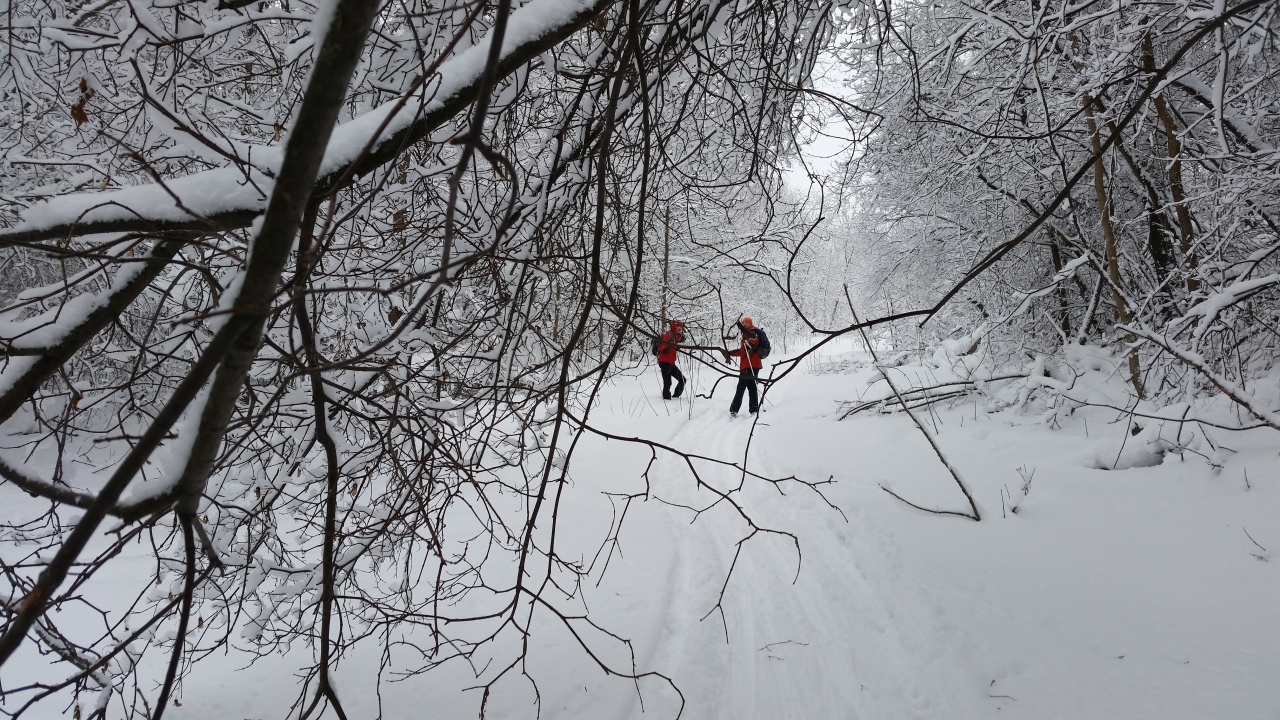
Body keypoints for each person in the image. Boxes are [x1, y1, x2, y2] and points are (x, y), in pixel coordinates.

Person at [725, 316, 763, 416]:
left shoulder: (753, 332)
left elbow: (753, 338)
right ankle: (754, 410)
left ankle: (734, 410)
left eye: (745, 323)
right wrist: (731, 353)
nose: (744, 324)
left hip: (750, 365)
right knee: (752, 387)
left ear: (750, 324)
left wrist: (742, 328)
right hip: (750, 365)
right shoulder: (745, 336)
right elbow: (743, 351)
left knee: (741, 388)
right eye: (743, 323)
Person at [656, 319, 687, 400]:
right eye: (677, 326)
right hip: (664, 362)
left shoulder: (678, 336)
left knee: (682, 380)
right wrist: (668, 346)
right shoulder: (668, 335)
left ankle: (676, 397)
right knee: (667, 382)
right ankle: (666, 400)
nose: (679, 328)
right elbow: (662, 347)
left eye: (680, 326)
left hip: (671, 362)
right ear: (674, 327)